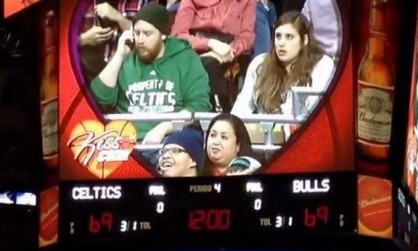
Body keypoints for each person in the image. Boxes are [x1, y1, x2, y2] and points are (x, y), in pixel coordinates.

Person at [90, 3, 211, 145]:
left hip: (172, 138)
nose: (140, 40)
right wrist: (119, 56)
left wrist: (164, 128)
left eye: (147, 34)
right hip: (125, 141)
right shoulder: (126, 57)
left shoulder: (186, 58)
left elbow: (198, 106)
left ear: (163, 35)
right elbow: (100, 99)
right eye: (137, 33)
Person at [231, 11, 334, 139]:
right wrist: (231, 128)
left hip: (304, 138)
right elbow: (243, 105)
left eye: (289, 37)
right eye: (278, 36)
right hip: (263, 138)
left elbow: (316, 112)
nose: (281, 43)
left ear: (305, 40)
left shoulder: (322, 65)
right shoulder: (260, 63)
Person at [171, 0, 257, 112]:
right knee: (208, 64)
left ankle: (221, 113)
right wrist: (210, 44)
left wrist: (231, 51)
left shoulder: (247, 1)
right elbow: (178, 35)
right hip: (196, 48)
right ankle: (214, 112)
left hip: (229, 51)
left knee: (212, 64)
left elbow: (247, 35)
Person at [78, 0, 155, 84]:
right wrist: (83, 40)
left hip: (126, 76)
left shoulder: (144, 3)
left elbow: (151, 42)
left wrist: (119, 18)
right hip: (85, 75)